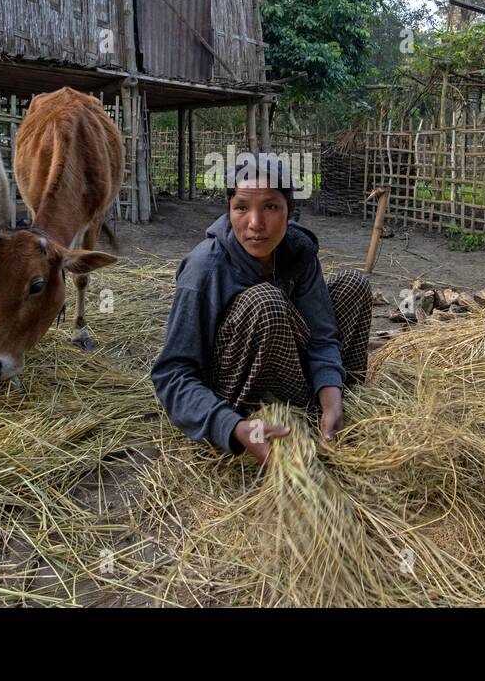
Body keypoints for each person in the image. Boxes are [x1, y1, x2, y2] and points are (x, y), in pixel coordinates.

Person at [149, 153, 372, 462]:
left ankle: (329, 419)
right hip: (236, 396)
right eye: (241, 208)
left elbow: (322, 336)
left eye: (270, 207)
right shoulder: (204, 270)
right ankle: (266, 423)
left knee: (353, 284)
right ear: (228, 211)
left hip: (292, 375)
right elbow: (172, 374)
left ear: (290, 211)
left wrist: (331, 396)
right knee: (265, 301)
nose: (255, 224)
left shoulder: (299, 252)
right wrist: (230, 426)